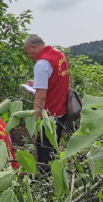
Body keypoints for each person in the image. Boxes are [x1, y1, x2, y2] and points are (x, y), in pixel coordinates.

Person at [23, 34, 69, 164]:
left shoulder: (42, 63)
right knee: (54, 148)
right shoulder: (61, 56)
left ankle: (46, 180)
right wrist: (37, 82)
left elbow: (40, 97)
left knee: (45, 154)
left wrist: (35, 123)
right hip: (61, 112)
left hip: (48, 117)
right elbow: (57, 78)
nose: (29, 56)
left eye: (28, 52)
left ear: (33, 46)